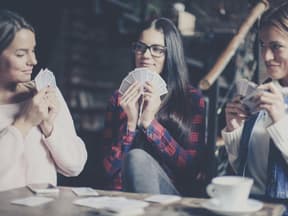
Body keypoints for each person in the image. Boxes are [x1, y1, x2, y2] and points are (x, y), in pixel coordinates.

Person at [102, 17, 207, 196]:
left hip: (170, 200)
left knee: (137, 158)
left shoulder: (191, 99)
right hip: (122, 201)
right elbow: (108, 170)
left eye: (157, 49)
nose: (146, 55)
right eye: (140, 47)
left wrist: (150, 124)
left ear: (170, 55)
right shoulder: (119, 99)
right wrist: (130, 126)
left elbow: (192, 170)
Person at [0, 10, 87, 191]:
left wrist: (49, 128)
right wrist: (24, 123)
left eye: (33, 50)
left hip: (45, 208)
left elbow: (75, 166)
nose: (33, 60)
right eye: (21, 54)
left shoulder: (45, 93)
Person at [222, 2, 288, 199]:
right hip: (246, 205)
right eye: (263, 45)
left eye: (276, 46)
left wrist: (280, 121)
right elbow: (241, 168)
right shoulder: (262, 94)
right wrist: (234, 130)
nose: (266, 56)